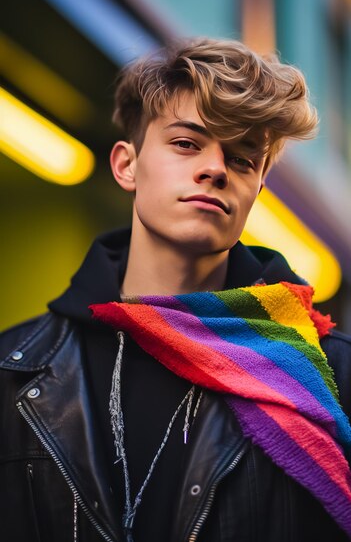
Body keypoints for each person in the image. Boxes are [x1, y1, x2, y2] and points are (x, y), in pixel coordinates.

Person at [1, 38, 350, 542]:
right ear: (127, 165)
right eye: (187, 143)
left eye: (243, 158)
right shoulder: (14, 373)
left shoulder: (332, 373)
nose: (215, 169)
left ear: (258, 186)